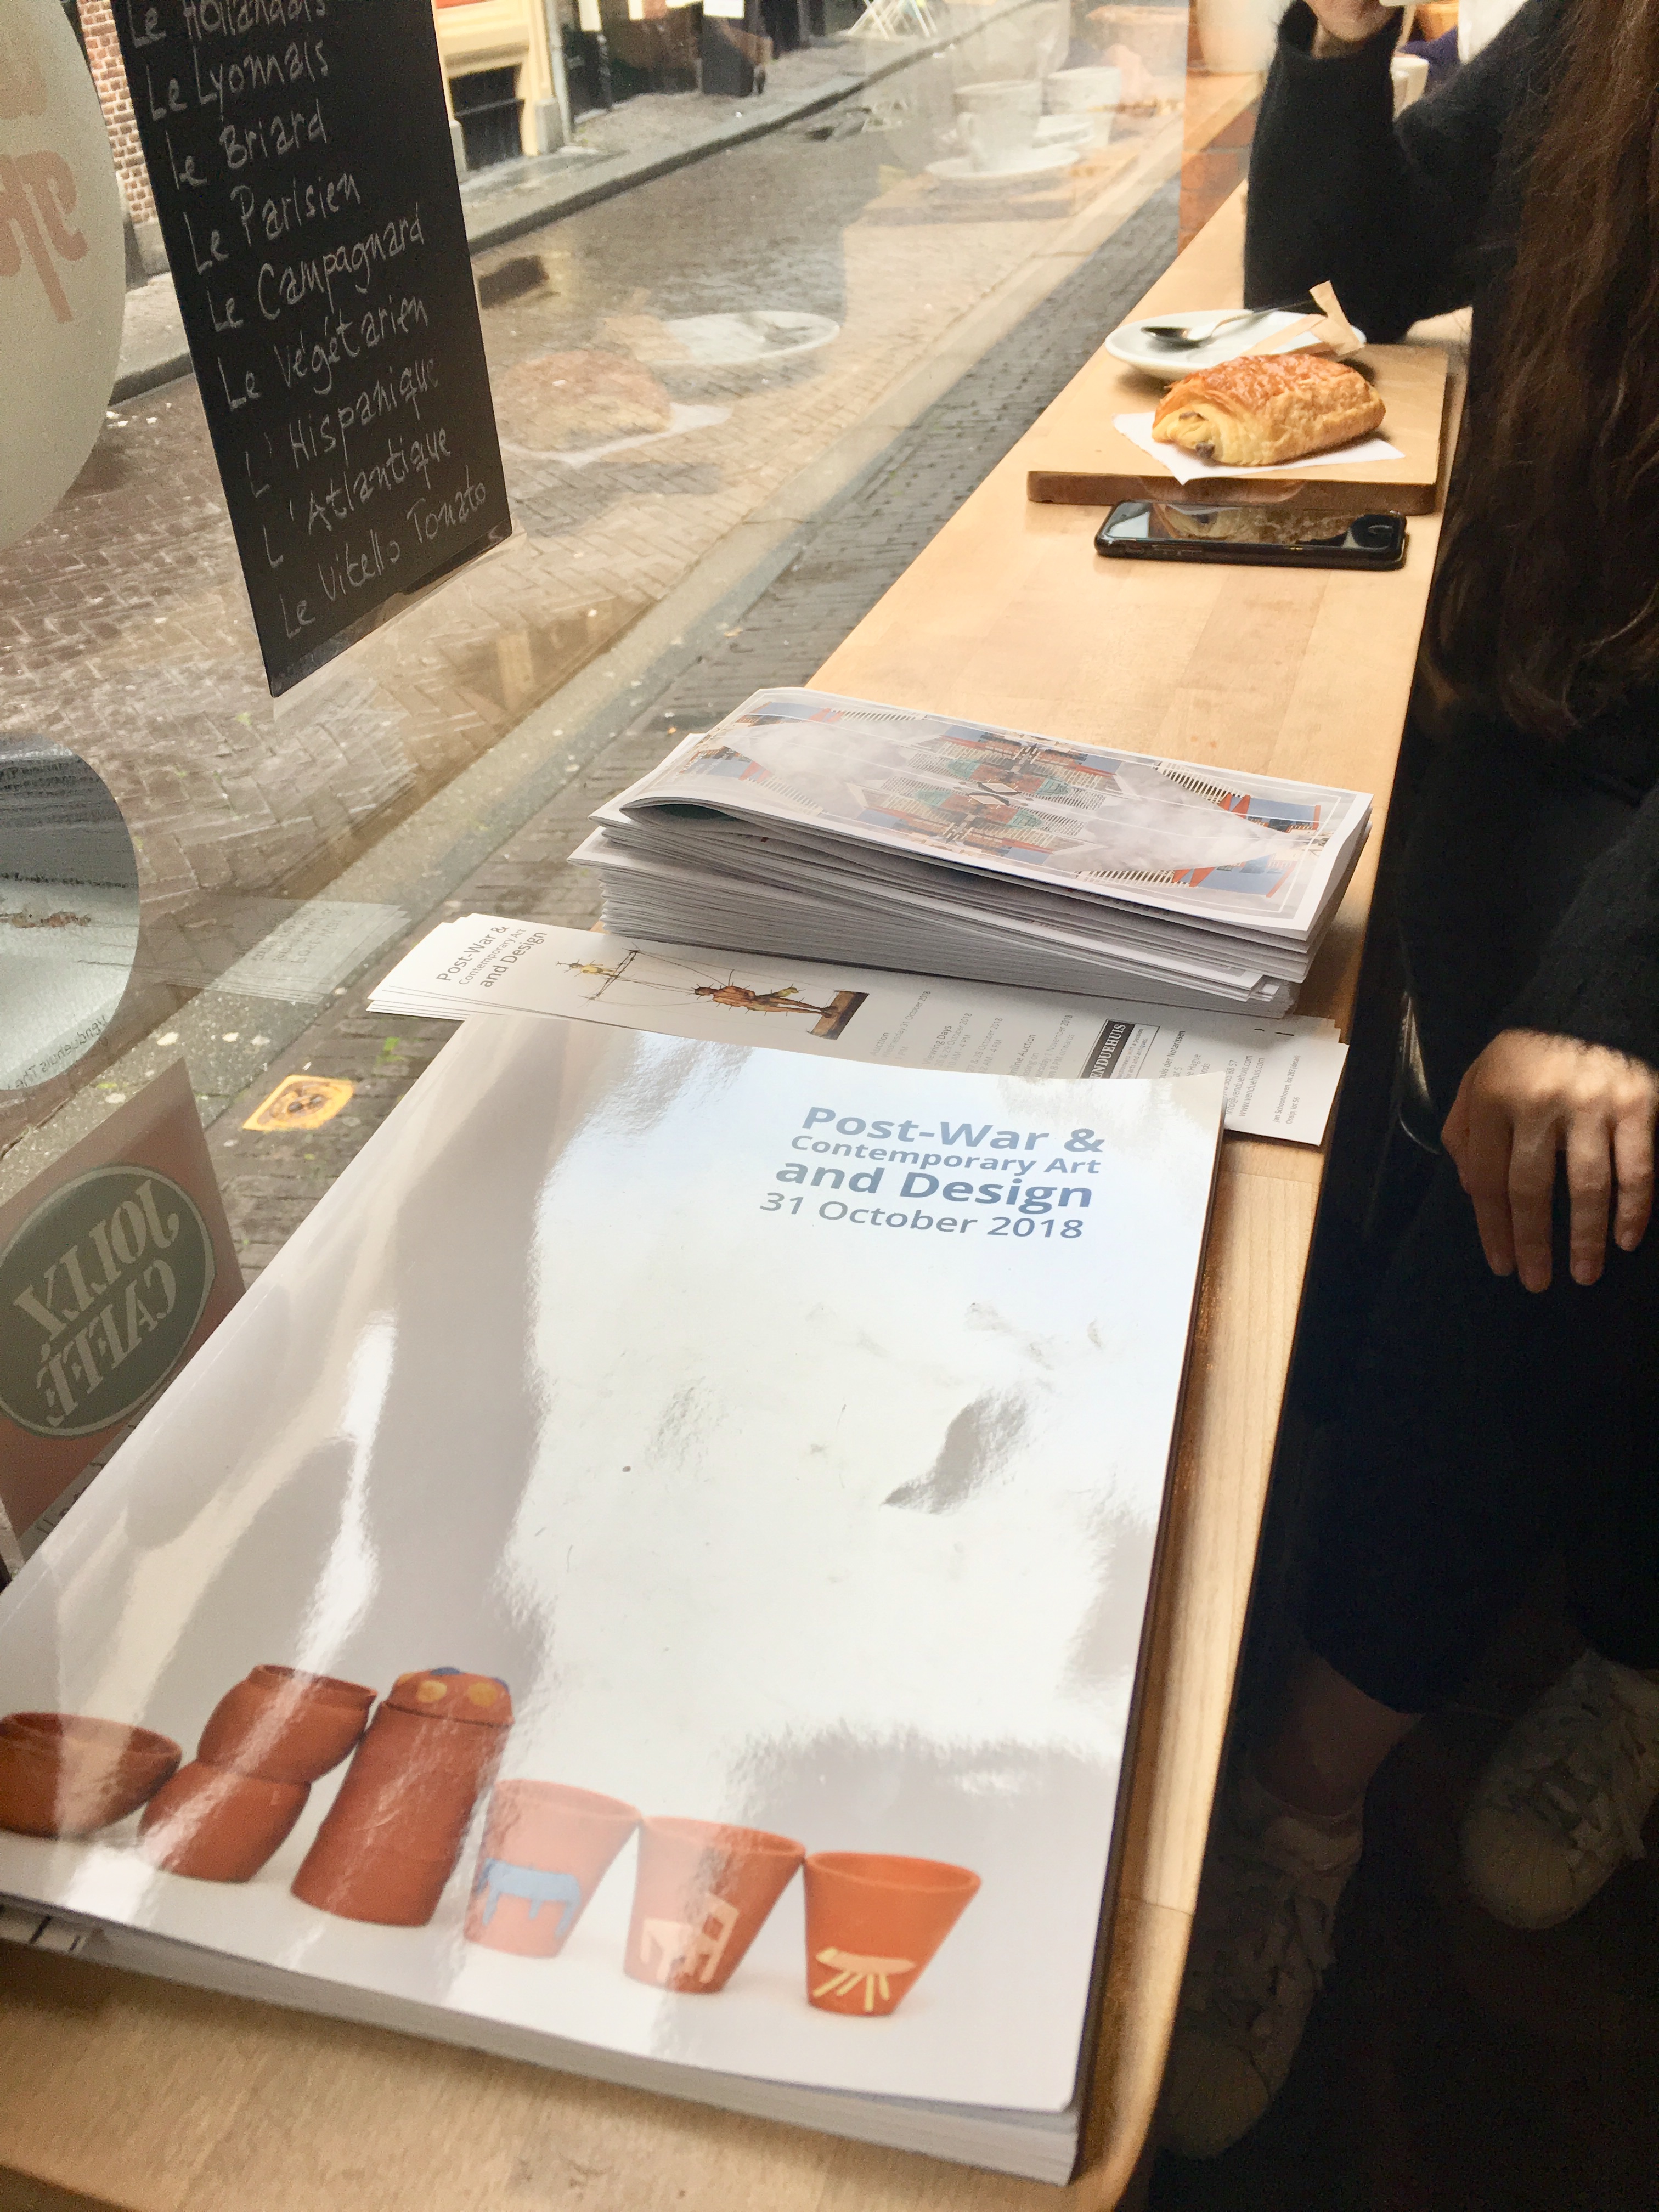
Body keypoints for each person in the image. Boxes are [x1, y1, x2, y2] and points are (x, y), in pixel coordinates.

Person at [1160, 0, 1659, 2158]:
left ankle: (1309, 1798)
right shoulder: (1606, 41)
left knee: (1549, 1175)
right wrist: (1345, 39)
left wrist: (1623, 991)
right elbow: (1348, 268)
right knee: (1382, 1029)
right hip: (1559, 730)